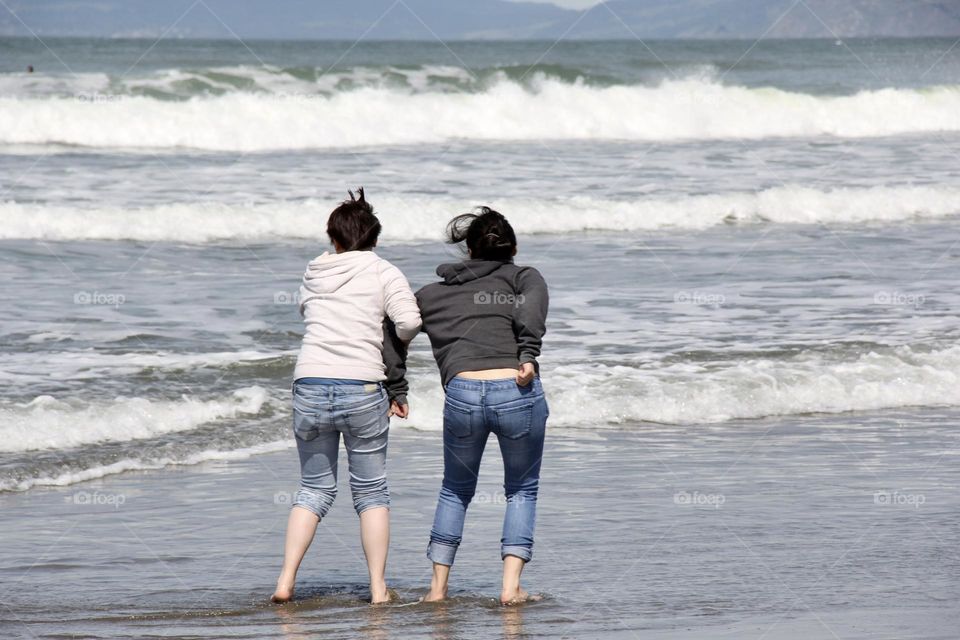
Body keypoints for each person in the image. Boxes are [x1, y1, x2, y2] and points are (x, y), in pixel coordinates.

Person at [271, 188, 421, 604]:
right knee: (371, 492)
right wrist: (390, 337)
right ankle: (377, 589)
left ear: (333, 238)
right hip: (362, 387)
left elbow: (307, 313)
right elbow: (409, 322)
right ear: (374, 237)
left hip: (310, 384)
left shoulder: (314, 272)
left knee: (313, 490)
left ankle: (285, 582)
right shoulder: (384, 271)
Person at [415, 207, 549, 605]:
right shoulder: (524, 276)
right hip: (516, 388)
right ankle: (510, 589)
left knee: (455, 490)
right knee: (521, 490)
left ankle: (437, 590)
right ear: (513, 248)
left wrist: (394, 385)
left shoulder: (431, 293)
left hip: (463, 392)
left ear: (469, 249)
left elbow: (396, 327)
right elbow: (531, 310)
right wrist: (527, 354)